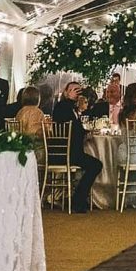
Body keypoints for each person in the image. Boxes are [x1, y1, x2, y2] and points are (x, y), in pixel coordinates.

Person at [53, 81, 103, 212]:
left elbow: (78, 129)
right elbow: (68, 126)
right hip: (65, 152)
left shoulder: (73, 109)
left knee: (95, 164)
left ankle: (78, 199)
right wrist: (70, 100)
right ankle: (78, 200)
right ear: (65, 92)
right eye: (73, 90)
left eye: (79, 90)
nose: (77, 93)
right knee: (96, 165)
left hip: (73, 151)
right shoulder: (61, 106)